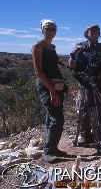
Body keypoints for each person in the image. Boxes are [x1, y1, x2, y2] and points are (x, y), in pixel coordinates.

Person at [68, 24, 101, 146]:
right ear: (86, 33)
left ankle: (97, 133)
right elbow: (72, 65)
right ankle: (84, 135)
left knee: (100, 107)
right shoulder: (81, 46)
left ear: (99, 34)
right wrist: (74, 52)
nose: (93, 33)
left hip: (100, 82)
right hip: (86, 82)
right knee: (85, 109)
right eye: (91, 31)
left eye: (96, 31)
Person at [32, 19, 67, 163]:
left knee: (51, 117)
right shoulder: (38, 46)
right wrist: (51, 90)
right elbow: (38, 71)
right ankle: (47, 152)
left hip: (57, 85)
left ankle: (53, 148)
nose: (51, 31)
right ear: (42, 30)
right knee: (57, 118)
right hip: (47, 86)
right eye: (48, 28)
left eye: (54, 29)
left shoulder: (52, 47)